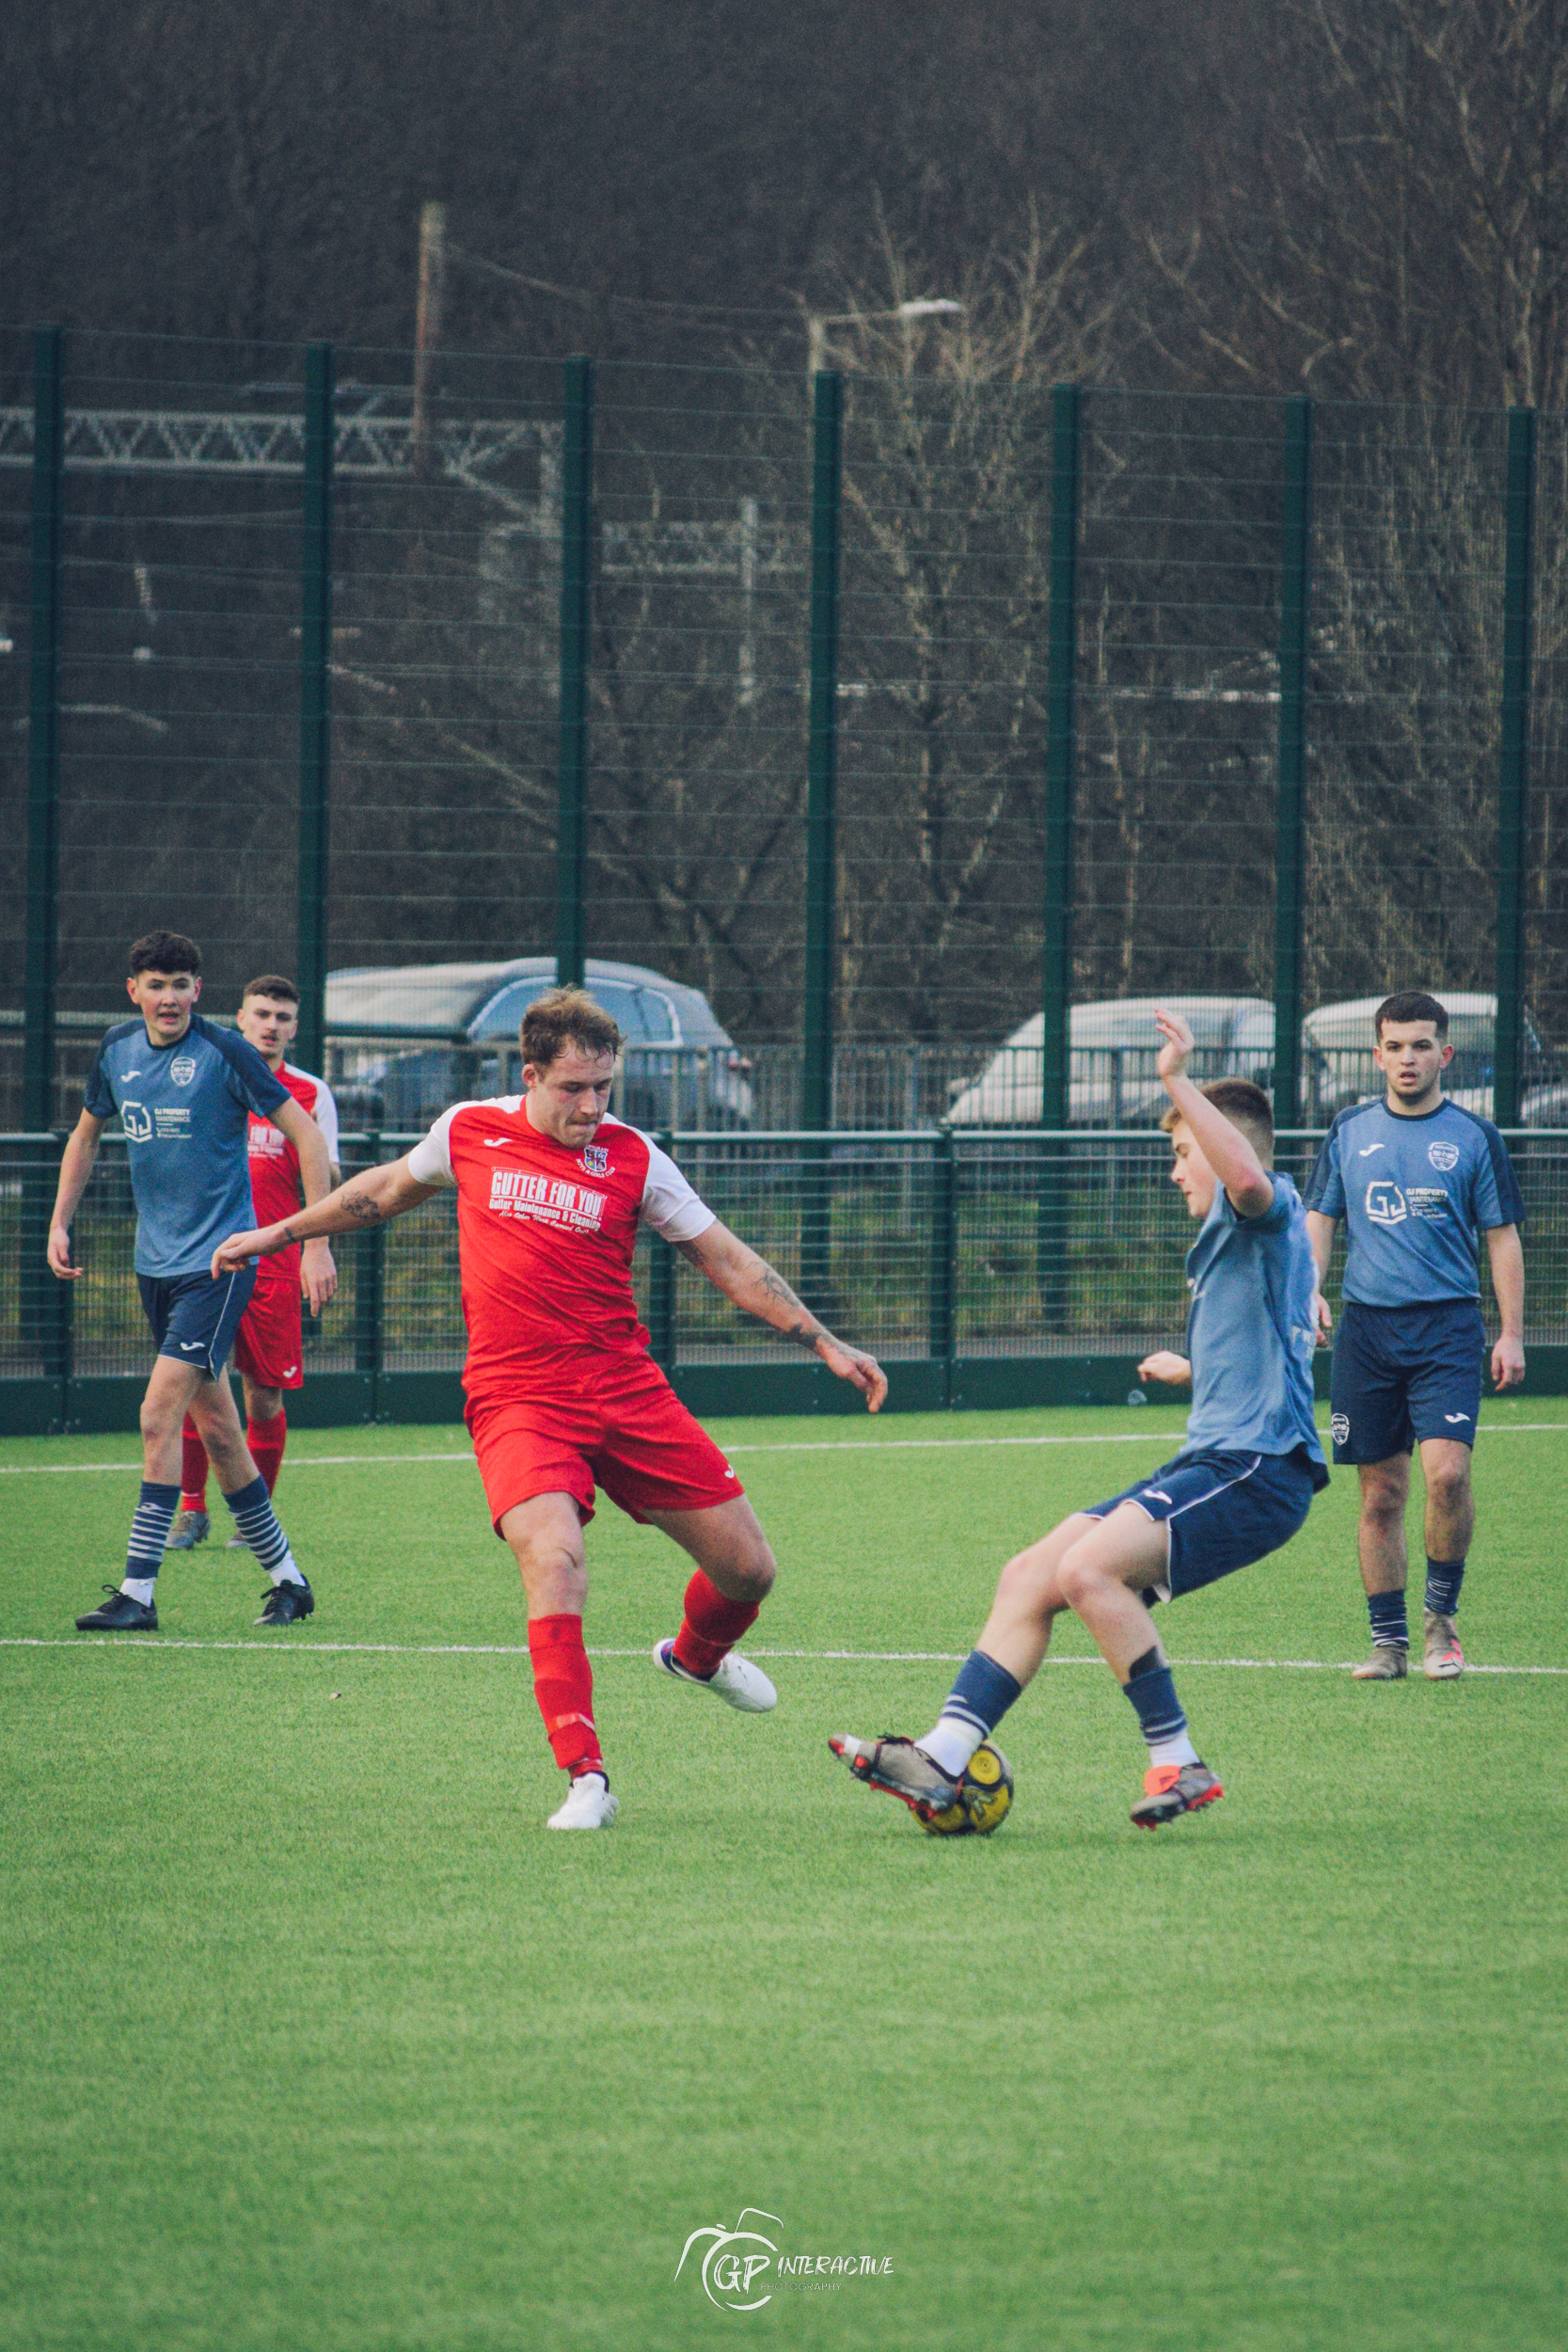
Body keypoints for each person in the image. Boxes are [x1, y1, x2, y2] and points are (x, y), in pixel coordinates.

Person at [213, 988, 888, 1830]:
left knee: (749, 1572)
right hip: (517, 1396)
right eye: (574, 1088)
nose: (592, 1106)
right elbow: (380, 1190)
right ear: (530, 1076)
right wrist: (278, 1235)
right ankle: (585, 1777)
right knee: (556, 1559)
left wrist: (823, 1340)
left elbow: (726, 1258)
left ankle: (694, 1658)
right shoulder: (468, 1130)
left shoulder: (635, 1156)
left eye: (604, 1087)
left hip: (624, 1387)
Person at [831, 1009, 1327, 1832]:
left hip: (1257, 1470)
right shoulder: (1235, 1240)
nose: (1173, 1171)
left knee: (1088, 1572)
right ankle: (944, 1754)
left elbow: (1245, 1180)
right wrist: (1194, 1367)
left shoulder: (1261, 1209)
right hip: (1214, 1461)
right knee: (1030, 1573)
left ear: (1218, 1146)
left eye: (1181, 1152)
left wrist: (1175, 1079)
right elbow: (1273, 1339)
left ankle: (1178, 1759)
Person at [49, 931, 335, 1632]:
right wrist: (59, 1222)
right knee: (223, 1434)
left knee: (158, 1414)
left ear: (198, 990)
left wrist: (316, 1243)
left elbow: (308, 1137)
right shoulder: (116, 1049)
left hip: (220, 1265)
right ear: (134, 991)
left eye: (181, 984)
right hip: (155, 1266)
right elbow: (85, 1136)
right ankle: (290, 1584)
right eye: (156, 984)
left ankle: (137, 1594)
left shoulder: (225, 1051)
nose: (170, 997)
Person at [1304, 989, 1526, 1682]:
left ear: (1444, 1055)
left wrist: (1511, 1333)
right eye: (1395, 1046)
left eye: (1421, 1045)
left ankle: (1440, 1623)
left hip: (1447, 1329)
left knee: (1448, 1477)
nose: (1408, 1058)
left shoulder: (1474, 1137)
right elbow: (1320, 1220)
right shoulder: (1348, 1130)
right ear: (1377, 1055)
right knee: (1380, 1496)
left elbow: (1502, 1237)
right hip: (1367, 1333)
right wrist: (1308, 1289)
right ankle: (1387, 1645)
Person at [167, 974, 341, 1550]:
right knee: (195, 1383)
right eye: (261, 1014)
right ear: (240, 1019)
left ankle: (253, 1517)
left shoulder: (310, 1094)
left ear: (294, 1028)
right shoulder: (206, 1077)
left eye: (282, 1017)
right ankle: (192, 1510)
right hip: (206, 1260)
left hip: (275, 1265)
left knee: (263, 1396)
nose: (271, 1025)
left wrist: (317, 1245)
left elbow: (329, 1178)